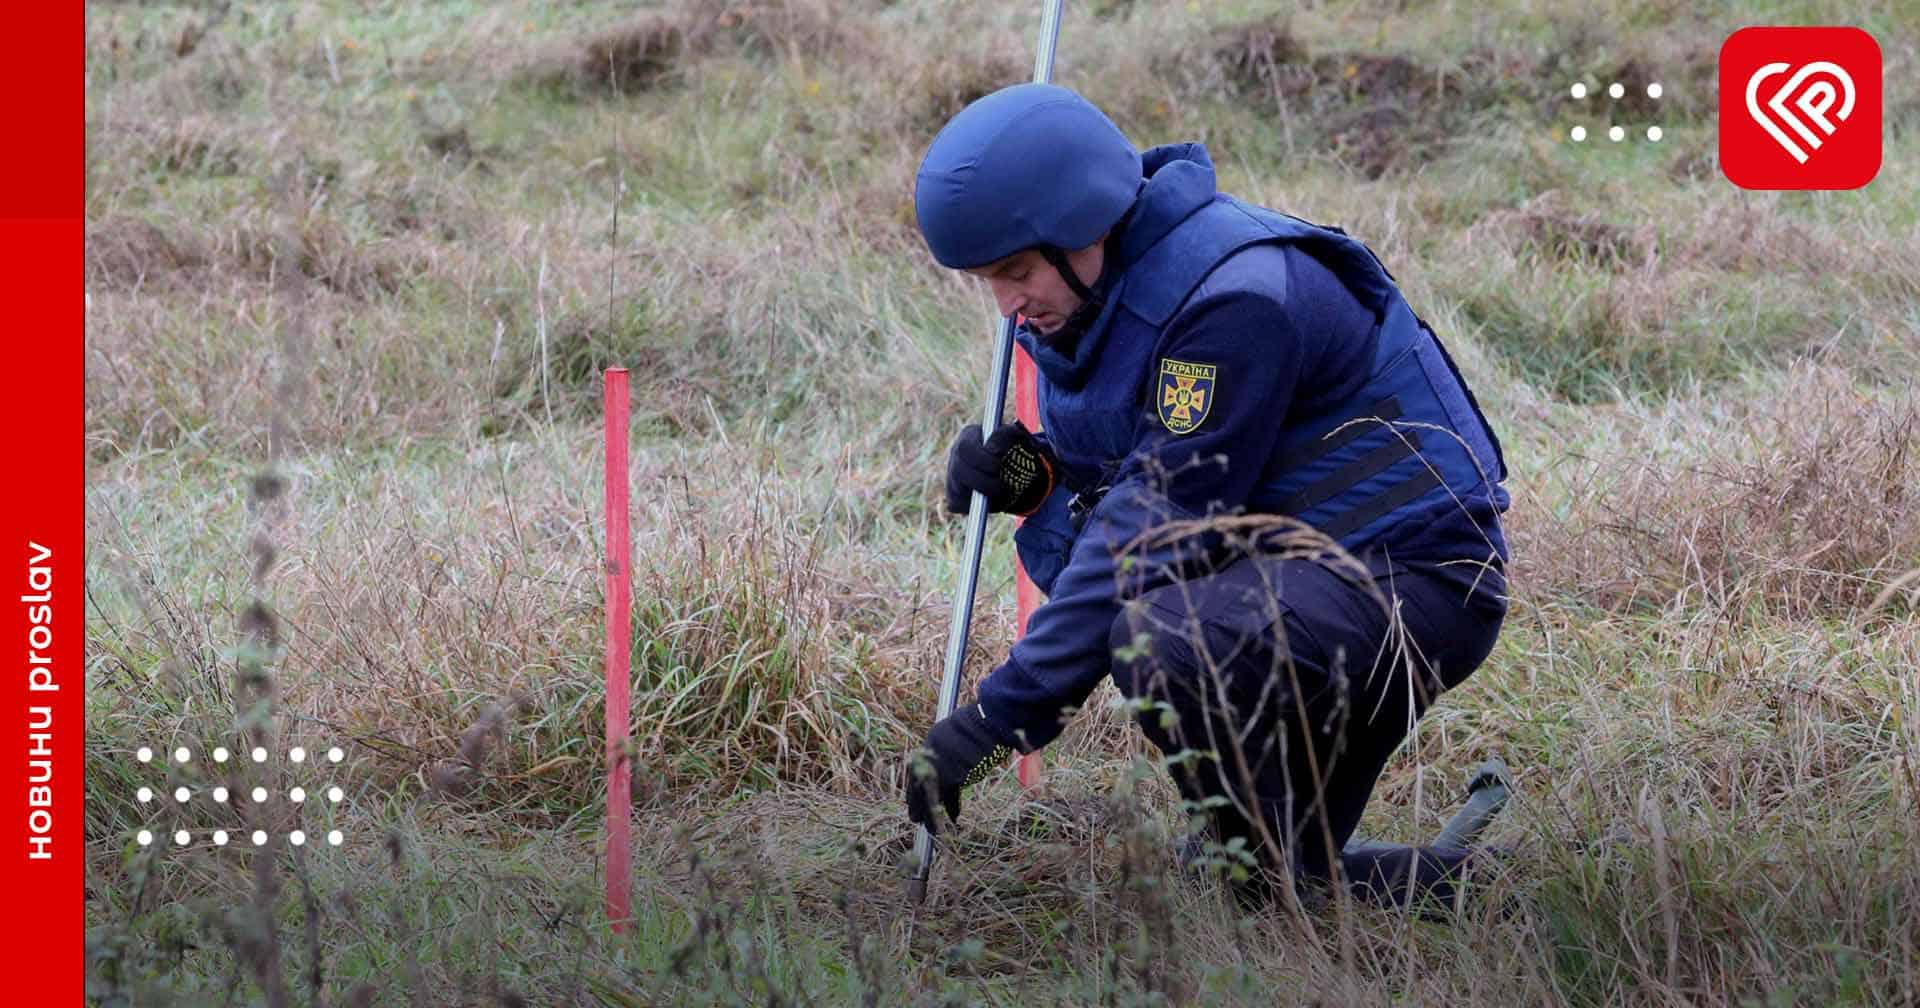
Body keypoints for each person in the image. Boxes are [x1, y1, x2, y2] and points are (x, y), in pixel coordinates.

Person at [903, 83, 1511, 912]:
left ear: (1086, 229)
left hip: (1411, 585)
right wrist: (1035, 480)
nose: (1008, 307)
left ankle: (1289, 882)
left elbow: (1152, 528)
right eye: (988, 283)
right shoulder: (1100, 302)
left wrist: (994, 720)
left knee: (1163, 638)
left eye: (1016, 272)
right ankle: (1424, 891)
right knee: (1267, 881)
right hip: (1296, 583)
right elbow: (1137, 474)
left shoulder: (1234, 303)